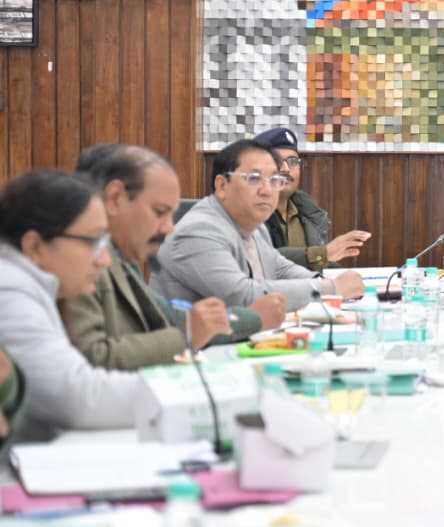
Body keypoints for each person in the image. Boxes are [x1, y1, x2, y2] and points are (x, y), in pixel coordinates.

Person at [60, 144, 288, 370]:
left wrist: (242, 319)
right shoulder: (76, 261)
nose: (169, 228)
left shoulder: (122, 258)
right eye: (160, 212)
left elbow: (169, 317)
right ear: (115, 198)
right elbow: (91, 360)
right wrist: (189, 335)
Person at [0, 170, 140, 439]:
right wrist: (192, 390)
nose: (104, 259)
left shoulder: (25, 282)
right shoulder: (8, 288)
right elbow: (77, 397)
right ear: (35, 246)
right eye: (94, 241)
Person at [153, 139, 365, 311]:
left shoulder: (254, 226)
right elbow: (242, 296)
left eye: (274, 180)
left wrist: (324, 280)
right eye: (254, 179)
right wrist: (329, 289)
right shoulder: (198, 231)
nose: (267, 191)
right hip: (194, 349)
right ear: (222, 185)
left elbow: (280, 269)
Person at [253, 127, 370, 272]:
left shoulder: (308, 212)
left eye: (293, 161)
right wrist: (324, 254)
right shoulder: (248, 213)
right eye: (277, 161)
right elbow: (262, 258)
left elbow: (317, 262)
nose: (286, 169)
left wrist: (345, 275)